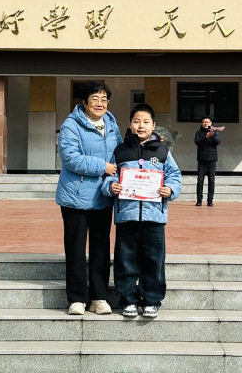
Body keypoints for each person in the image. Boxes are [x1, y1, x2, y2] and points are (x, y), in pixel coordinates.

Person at [102, 103, 182, 318]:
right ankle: (128, 299)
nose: (141, 125)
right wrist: (111, 186)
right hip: (126, 216)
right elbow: (109, 175)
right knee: (126, 260)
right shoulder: (120, 151)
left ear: (153, 125)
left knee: (153, 260)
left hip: (154, 217)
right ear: (130, 124)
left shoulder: (162, 151)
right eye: (136, 121)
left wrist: (170, 189)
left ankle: (151, 300)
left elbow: (174, 175)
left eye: (146, 122)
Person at [55, 81, 122, 316]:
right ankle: (76, 298)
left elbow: (119, 156)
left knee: (101, 249)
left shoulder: (112, 125)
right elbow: (70, 158)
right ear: (84, 102)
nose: (100, 103)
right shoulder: (71, 124)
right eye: (95, 99)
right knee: (75, 249)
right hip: (75, 197)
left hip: (103, 195)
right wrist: (103, 166)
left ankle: (98, 297)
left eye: (104, 99)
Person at [194, 115, 220, 207]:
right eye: (204, 122)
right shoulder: (198, 133)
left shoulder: (215, 132)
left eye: (208, 122)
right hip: (202, 158)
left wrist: (211, 136)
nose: (206, 123)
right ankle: (199, 200)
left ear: (211, 123)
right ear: (202, 123)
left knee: (211, 180)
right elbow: (197, 142)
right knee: (200, 180)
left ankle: (210, 200)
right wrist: (206, 137)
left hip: (212, 159)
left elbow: (217, 142)